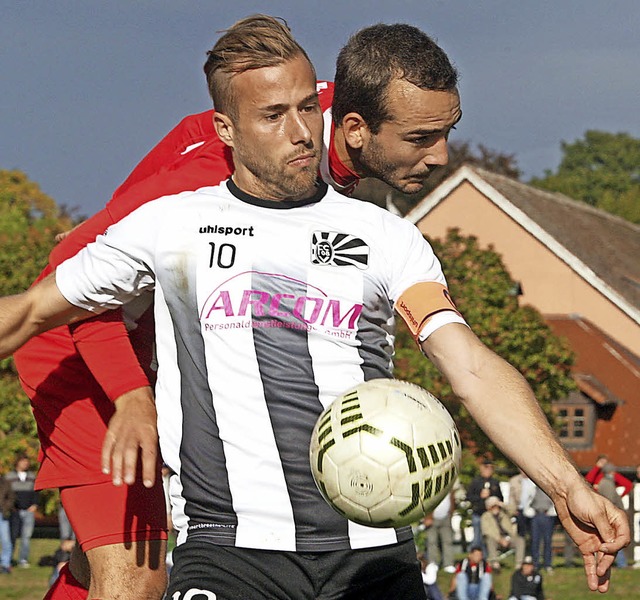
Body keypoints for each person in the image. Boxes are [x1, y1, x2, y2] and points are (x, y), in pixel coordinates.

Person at [0, 14, 630, 599]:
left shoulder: (373, 223)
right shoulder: (190, 202)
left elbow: (467, 365)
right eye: (421, 138)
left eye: (306, 108)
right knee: (132, 574)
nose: (440, 155)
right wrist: (133, 394)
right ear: (356, 130)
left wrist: (565, 483)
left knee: (90, 565)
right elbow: (58, 292)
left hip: (341, 530)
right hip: (84, 347)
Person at [6, 456, 39, 568]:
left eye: (27, 462)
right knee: (12, 535)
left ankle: (23, 560)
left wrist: (35, 505)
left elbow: (36, 492)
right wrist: (10, 507)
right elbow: (6, 493)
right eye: (23, 461)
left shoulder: (32, 477)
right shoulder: (9, 476)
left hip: (28, 510)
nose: (25, 464)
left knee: (26, 537)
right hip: (14, 511)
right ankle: (8, 559)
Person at [596, 464, 629, 568]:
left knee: (612, 540)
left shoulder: (605, 483)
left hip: (608, 515)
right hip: (611, 516)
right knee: (615, 540)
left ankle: (619, 563)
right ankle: (621, 564)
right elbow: (610, 501)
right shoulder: (607, 484)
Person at [466, 460, 503, 552]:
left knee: (490, 537)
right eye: (487, 467)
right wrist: (480, 497)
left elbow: (500, 498)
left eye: (491, 468)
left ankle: (488, 558)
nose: (489, 470)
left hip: (490, 515)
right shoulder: (475, 481)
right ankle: (475, 557)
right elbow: (469, 497)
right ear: (482, 468)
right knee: (477, 537)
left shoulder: (495, 482)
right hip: (478, 513)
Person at [480, 496, 525, 571]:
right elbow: (487, 531)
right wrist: (500, 539)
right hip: (496, 539)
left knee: (520, 540)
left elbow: (513, 511)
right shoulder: (485, 516)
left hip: (508, 538)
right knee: (489, 540)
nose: (495, 508)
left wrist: (502, 504)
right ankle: (494, 563)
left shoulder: (504, 514)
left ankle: (519, 564)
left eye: (496, 506)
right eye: (493, 506)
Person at [426, 488, 457, 572]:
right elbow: (426, 502)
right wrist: (427, 517)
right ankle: (433, 563)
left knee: (447, 541)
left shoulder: (449, 488)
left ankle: (448, 564)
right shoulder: (430, 487)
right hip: (432, 518)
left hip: (446, 517)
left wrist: (451, 513)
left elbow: (452, 501)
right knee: (432, 542)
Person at [529, 485, 556, 573]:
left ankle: (547, 564)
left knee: (547, 541)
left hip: (547, 515)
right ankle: (535, 564)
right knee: (535, 541)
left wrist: (551, 511)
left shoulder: (550, 488)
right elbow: (528, 500)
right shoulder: (533, 488)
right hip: (536, 515)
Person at [507, 469, 536, 551]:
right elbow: (511, 497)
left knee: (534, 534)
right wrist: (513, 509)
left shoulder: (535, 480)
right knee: (521, 534)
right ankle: (522, 553)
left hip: (534, 511)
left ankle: (533, 554)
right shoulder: (514, 480)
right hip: (520, 510)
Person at [0, 471, 14, 574]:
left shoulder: (5, 482)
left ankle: (5, 564)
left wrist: (6, 507)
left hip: (2, 513)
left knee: (6, 540)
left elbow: (11, 497)